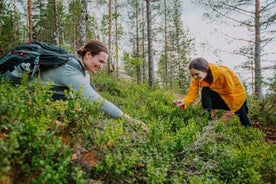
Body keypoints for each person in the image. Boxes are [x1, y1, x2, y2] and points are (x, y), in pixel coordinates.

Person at [36, 40, 148, 131]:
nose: (101, 66)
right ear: (88, 54)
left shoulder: (78, 67)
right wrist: (129, 120)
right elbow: (95, 100)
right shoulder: (70, 70)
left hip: (47, 103)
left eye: (103, 63)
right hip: (34, 104)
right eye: (100, 61)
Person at [173, 57, 252, 127]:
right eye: (192, 75)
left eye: (197, 74)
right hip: (222, 97)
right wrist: (184, 101)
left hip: (236, 97)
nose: (195, 77)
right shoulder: (197, 79)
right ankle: (207, 121)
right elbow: (192, 94)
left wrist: (213, 86)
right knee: (205, 90)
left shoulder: (222, 73)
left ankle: (251, 132)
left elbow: (230, 89)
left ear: (205, 68)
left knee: (243, 117)